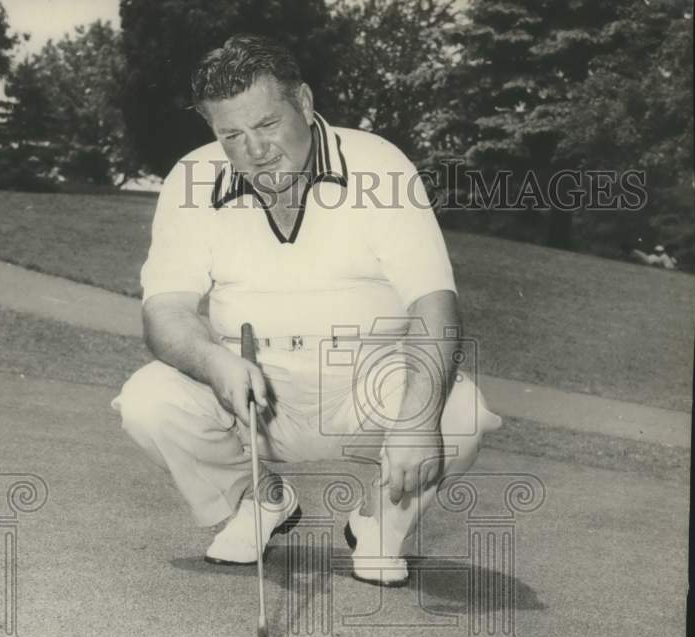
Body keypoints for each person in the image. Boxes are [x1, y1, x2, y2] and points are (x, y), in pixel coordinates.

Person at [112, 34, 500, 587]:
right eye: (231, 135)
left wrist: (416, 421)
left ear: (305, 103)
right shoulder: (191, 180)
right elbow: (164, 314)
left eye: (267, 125)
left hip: (367, 390)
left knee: (464, 414)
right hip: (253, 396)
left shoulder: (380, 166)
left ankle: (380, 525)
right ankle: (260, 501)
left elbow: (434, 305)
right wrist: (215, 365)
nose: (254, 150)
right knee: (148, 402)